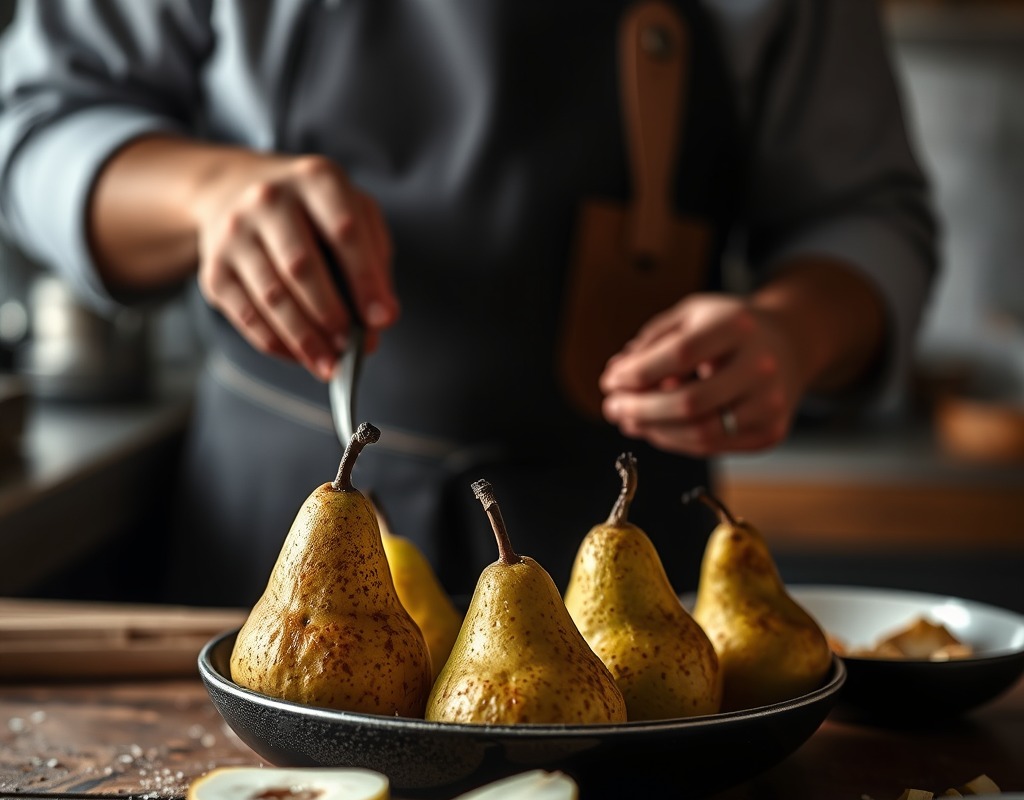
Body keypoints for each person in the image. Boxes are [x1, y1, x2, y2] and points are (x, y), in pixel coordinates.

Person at [0, 0, 937, 607]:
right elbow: (34, 128)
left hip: (623, 557)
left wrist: (795, 330)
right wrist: (204, 193)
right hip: (261, 547)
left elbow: (868, 218)